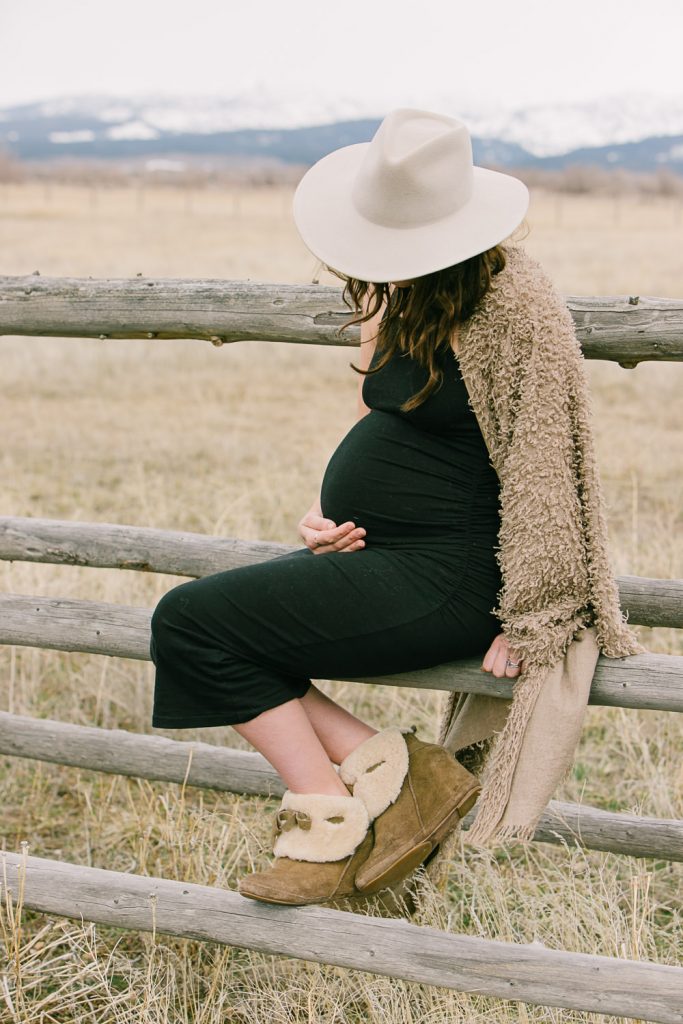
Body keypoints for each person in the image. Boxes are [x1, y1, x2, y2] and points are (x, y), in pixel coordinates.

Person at [149, 108, 644, 908]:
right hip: (381, 554)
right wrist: (324, 511)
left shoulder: (515, 306)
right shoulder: (406, 297)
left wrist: (534, 613)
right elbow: (376, 415)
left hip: (451, 573)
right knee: (222, 632)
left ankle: (329, 826)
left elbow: (548, 464)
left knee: (191, 622)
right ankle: (401, 779)